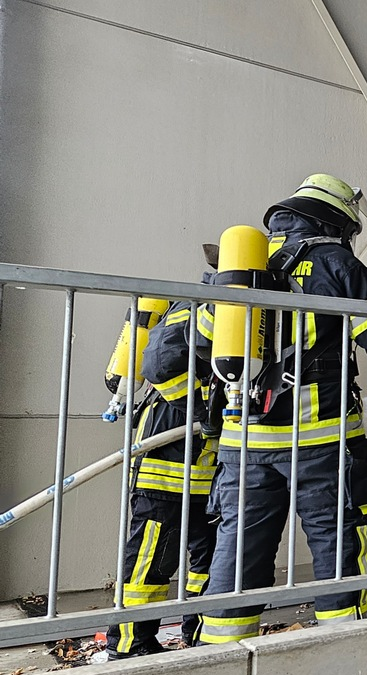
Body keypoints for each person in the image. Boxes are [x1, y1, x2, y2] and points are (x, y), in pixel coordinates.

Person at [195, 174, 367, 644]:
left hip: (243, 442)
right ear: (336, 222)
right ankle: (347, 649)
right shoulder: (334, 261)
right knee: (339, 548)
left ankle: (221, 651)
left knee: (238, 552)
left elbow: (201, 343)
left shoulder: (241, 264)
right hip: (320, 440)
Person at [105, 248, 221, 660]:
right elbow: (159, 365)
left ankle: (200, 633)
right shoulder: (195, 308)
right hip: (166, 457)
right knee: (153, 556)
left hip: (206, 466)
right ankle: (130, 643)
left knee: (210, 557)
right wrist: (203, 410)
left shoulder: (237, 313)